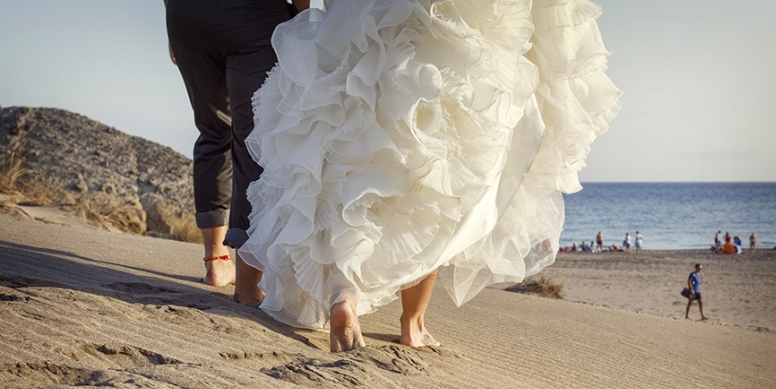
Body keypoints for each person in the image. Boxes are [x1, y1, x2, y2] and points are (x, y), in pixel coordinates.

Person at [239, 0, 621, 351]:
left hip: (362, 12)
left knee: (351, 141)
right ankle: (413, 323)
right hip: (461, 17)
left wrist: (309, 14)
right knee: (438, 166)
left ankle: (343, 294)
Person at [164, 0, 309, 304]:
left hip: (187, 15)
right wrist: (302, 18)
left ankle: (215, 262)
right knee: (251, 141)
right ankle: (246, 286)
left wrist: (175, 18)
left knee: (212, 131)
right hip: (254, 17)